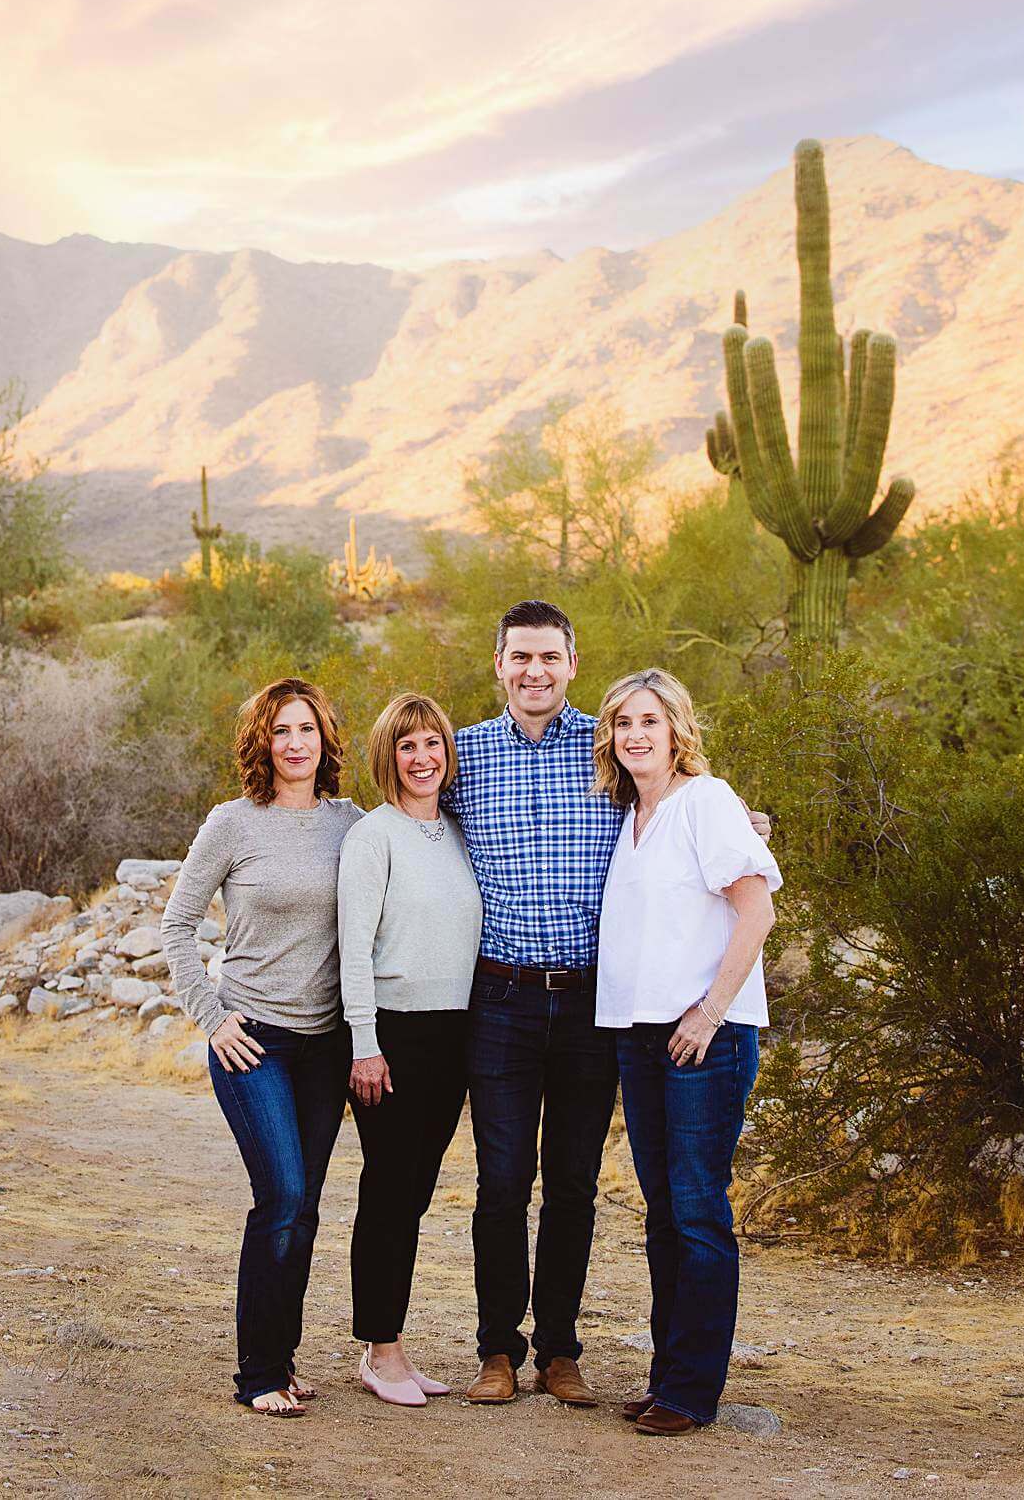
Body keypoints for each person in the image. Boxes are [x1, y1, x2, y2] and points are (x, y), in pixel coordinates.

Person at [445, 600, 770, 1408]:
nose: (534, 671)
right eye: (519, 656)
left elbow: (700, 818)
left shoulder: (608, 752)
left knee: (577, 1185)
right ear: (497, 663)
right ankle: (497, 1351)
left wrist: (748, 826)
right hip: (504, 999)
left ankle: (560, 1351)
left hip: (594, 1005)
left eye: (549, 657)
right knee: (500, 1181)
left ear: (571, 663)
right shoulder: (466, 757)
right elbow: (407, 813)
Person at [161, 676, 362, 1418]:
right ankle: (256, 1374)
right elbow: (177, 926)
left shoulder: (352, 824)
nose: (295, 743)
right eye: (281, 731)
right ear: (262, 743)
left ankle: (283, 1360)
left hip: (327, 1044)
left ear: (326, 739)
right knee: (278, 1196)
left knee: (304, 1207)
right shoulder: (232, 824)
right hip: (252, 1041)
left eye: (307, 729)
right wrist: (211, 1017)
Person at [593, 667, 780, 1435]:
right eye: (623, 722)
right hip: (641, 1036)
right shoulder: (631, 816)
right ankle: (668, 1375)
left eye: (649, 720)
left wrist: (709, 1012)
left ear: (678, 730)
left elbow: (757, 910)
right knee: (664, 1213)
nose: (635, 734)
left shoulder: (705, 800)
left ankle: (693, 1391)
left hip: (706, 1036)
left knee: (700, 1211)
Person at [337, 693, 482, 1406]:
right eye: (407, 745)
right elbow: (354, 951)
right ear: (386, 756)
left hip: (453, 1035)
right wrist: (364, 1045)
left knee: (416, 1193)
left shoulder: (458, 831)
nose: (422, 758)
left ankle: (392, 1343)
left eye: (433, 744)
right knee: (390, 1190)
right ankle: (380, 1351)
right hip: (390, 1036)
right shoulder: (373, 837)